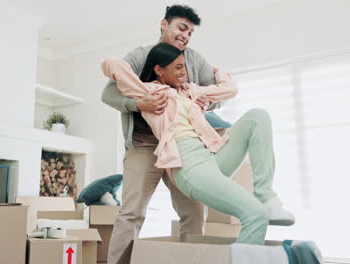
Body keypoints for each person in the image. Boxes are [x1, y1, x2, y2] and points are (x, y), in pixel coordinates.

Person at [102, 42, 295, 246]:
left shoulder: (190, 91)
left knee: (258, 117)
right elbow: (110, 64)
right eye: (177, 67)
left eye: (184, 66)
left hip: (211, 156)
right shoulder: (149, 92)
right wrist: (140, 103)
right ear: (159, 70)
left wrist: (216, 72)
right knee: (255, 215)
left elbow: (229, 89)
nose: (184, 72)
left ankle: (266, 196)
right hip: (189, 166)